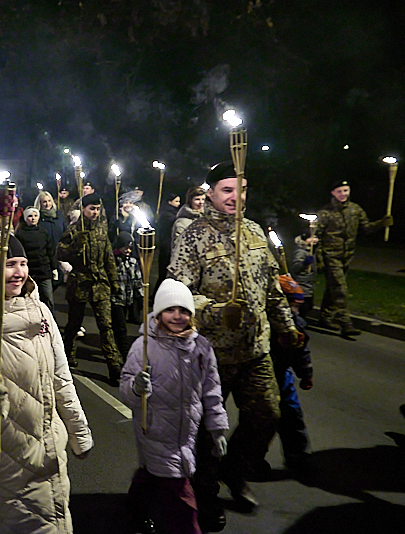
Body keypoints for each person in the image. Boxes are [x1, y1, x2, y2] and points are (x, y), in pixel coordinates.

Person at [167, 161, 299, 528]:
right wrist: (215, 311)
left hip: (255, 350)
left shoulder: (254, 231)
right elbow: (177, 294)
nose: (236, 197)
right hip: (211, 355)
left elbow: (271, 287)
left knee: (267, 415)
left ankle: (234, 469)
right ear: (210, 193)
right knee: (210, 429)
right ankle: (205, 491)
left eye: (241, 190)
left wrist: (287, 326)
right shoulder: (193, 235)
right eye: (227, 190)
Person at [0, 227, 94, 534]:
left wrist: (79, 433)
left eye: (23, 264)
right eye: (9, 264)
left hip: (47, 455)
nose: (19, 273)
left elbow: (61, 378)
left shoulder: (41, 313)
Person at [120, 279, 228, 534]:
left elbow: (212, 390)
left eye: (183, 310)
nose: (177, 316)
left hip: (186, 432)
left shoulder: (201, 347)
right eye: (169, 309)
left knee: (153, 474)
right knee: (180, 496)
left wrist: (217, 428)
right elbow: (126, 390)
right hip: (155, 430)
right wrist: (136, 388)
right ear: (158, 313)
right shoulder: (144, 347)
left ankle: (135, 507)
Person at [57, 193, 122, 384]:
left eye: (97, 209)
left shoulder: (102, 229)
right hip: (79, 282)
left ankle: (114, 366)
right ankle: (68, 354)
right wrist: (76, 245)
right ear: (83, 209)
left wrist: (114, 280)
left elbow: (108, 257)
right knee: (74, 323)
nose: (95, 212)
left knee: (106, 325)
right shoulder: (74, 230)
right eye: (91, 209)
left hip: (99, 283)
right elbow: (60, 253)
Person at [315, 179, 393, 336]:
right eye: (339, 191)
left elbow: (366, 228)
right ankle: (345, 323)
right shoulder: (325, 213)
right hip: (331, 256)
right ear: (333, 193)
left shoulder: (355, 210)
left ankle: (325, 317)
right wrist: (319, 258)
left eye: (345, 190)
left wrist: (382, 223)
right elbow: (316, 236)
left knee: (333, 289)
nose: (343, 194)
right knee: (340, 289)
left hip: (347, 256)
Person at [258, 275, 314, 479]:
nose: (294, 310)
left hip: (283, 375)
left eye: (298, 306)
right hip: (262, 373)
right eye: (291, 305)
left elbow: (301, 352)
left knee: (291, 414)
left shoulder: (296, 326)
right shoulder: (263, 325)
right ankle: (251, 460)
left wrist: (305, 374)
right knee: (263, 418)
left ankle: (297, 455)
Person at [15, 206, 57, 311]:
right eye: (30, 216)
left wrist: (54, 268)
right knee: (28, 299)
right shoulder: (20, 234)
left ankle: (49, 318)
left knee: (48, 299)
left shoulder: (43, 232)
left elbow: (50, 251)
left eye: (35, 215)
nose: (33, 218)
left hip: (44, 270)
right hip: (29, 272)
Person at [111, 232, 143, 360]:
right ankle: (124, 354)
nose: (128, 250)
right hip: (116, 299)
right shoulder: (113, 261)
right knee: (121, 328)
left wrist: (140, 294)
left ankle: (118, 349)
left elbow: (137, 279)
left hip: (127, 299)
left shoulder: (132, 261)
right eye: (125, 247)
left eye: (130, 247)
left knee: (120, 326)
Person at [153, 191, 181, 296]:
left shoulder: (172, 213)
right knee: (164, 273)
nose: (179, 204)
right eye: (176, 201)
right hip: (167, 246)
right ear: (170, 202)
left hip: (167, 245)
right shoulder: (168, 215)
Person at [290, 232, 318, 320]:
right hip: (301, 286)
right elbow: (296, 268)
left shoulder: (311, 251)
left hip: (308, 286)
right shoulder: (301, 252)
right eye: (312, 237)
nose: (315, 239)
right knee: (302, 307)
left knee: (308, 306)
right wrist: (304, 263)